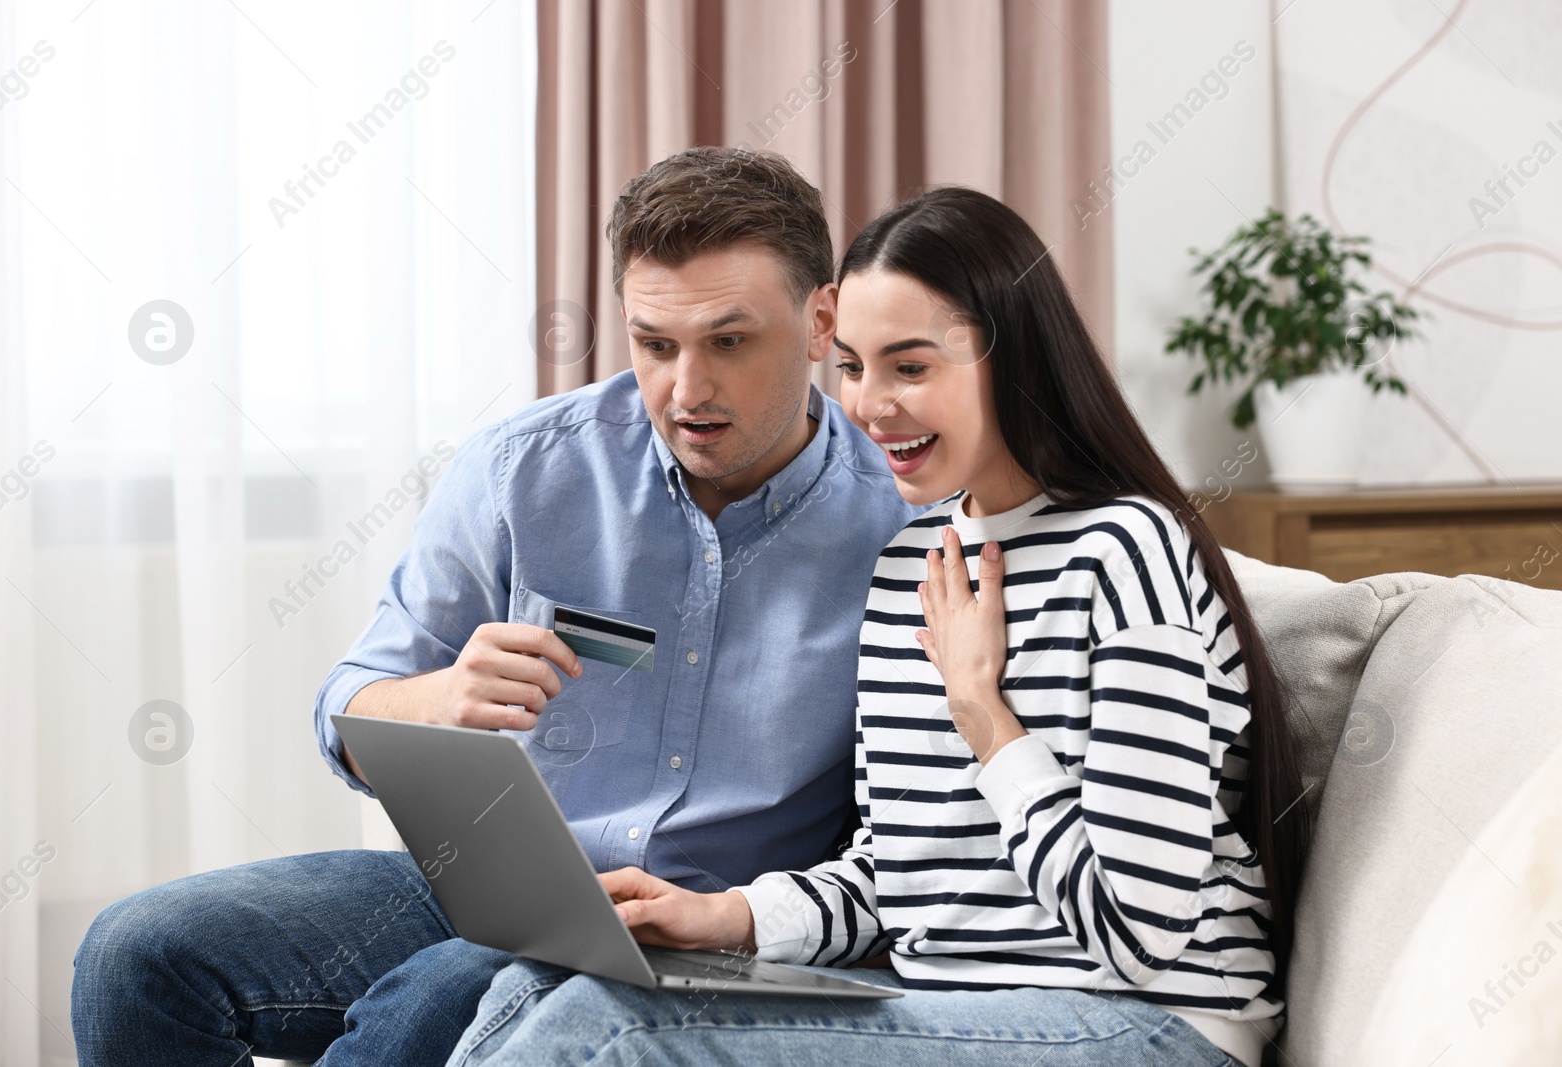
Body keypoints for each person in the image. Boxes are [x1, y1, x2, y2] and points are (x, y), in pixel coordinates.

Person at [68, 146, 927, 1066]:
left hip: (713, 934)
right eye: (654, 343)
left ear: (819, 322)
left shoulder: (906, 522)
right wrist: (436, 700)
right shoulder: (527, 470)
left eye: (728, 341)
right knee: (135, 956)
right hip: (491, 892)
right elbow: (348, 703)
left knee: (442, 997)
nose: (686, 390)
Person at [444, 187, 1312, 1067]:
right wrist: (725, 917)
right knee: (557, 981)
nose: (868, 406)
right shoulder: (908, 565)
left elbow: (1141, 930)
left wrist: (984, 714)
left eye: (912, 366)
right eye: (853, 367)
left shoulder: (1128, 550)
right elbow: (901, 874)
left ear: (1012, 361)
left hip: (1148, 1022)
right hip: (951, 1006)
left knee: (618, 1032)